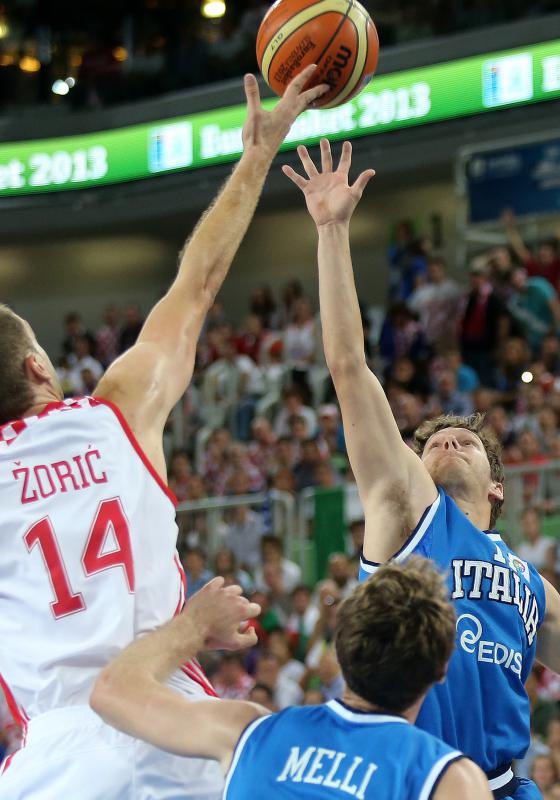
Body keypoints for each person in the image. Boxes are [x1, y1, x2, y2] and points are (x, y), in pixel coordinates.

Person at [0, 65, 328, 800]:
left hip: (49, 766)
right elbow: (198, 285)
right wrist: (257, 154)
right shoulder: (117, 410)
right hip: (167, 727)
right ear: (39, 368)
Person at [283, 137, 560, 799]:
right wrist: (331, 230)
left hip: (502, 786)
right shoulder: (409, 509)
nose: (446, 443)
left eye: (465, 440)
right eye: (433, 441)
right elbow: (350, 369)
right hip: (410, 780)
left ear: (498, 485)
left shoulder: (530, 585)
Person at [91, 561, 491, 799]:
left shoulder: (248, 732)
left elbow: (113, 690)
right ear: (441, 669)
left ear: (339, 648)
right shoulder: (449, 779)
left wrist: (195, 626)